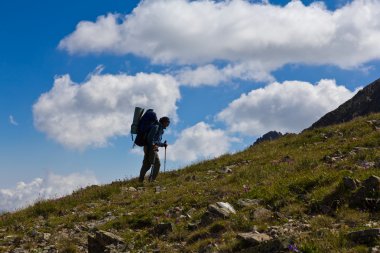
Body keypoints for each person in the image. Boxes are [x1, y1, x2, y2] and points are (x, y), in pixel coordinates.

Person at [138, 116, 170, 183]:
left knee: (146, 165)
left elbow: (156, 141)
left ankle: (140, 181)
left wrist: (163, 144)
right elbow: (150, 138)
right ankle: (152, 180)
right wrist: (153, 145)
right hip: (151, 147)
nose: (167, 126)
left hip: (147, 147)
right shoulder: (156, 127)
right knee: (157, 164)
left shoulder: (159, 129)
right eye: (167, 123)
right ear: (164, 122)